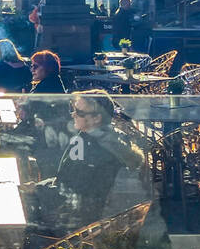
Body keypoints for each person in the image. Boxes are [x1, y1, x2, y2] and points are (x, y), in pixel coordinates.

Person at [20, 90, 146, 236]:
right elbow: (66, 181)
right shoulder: (92, 136)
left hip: (78, 228)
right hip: (74, 211)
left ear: (96, 118)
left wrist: (36, 190)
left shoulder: (97, 151)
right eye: (73, 109)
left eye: (78, 112)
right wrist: (37, 187)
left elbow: (75, 196)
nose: (72, 114)